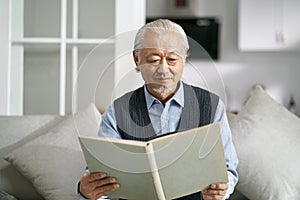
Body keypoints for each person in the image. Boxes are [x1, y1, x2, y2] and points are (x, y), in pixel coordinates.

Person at [78, 19, 238, 200]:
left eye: (172, 59)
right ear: (136, 59)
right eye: (153, 59)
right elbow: (99, 180)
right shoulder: (117, 111)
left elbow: (228, 169)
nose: (163, 69)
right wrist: (88, 193)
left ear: (184, 58)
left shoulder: (212, 106)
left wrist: (222, 190)